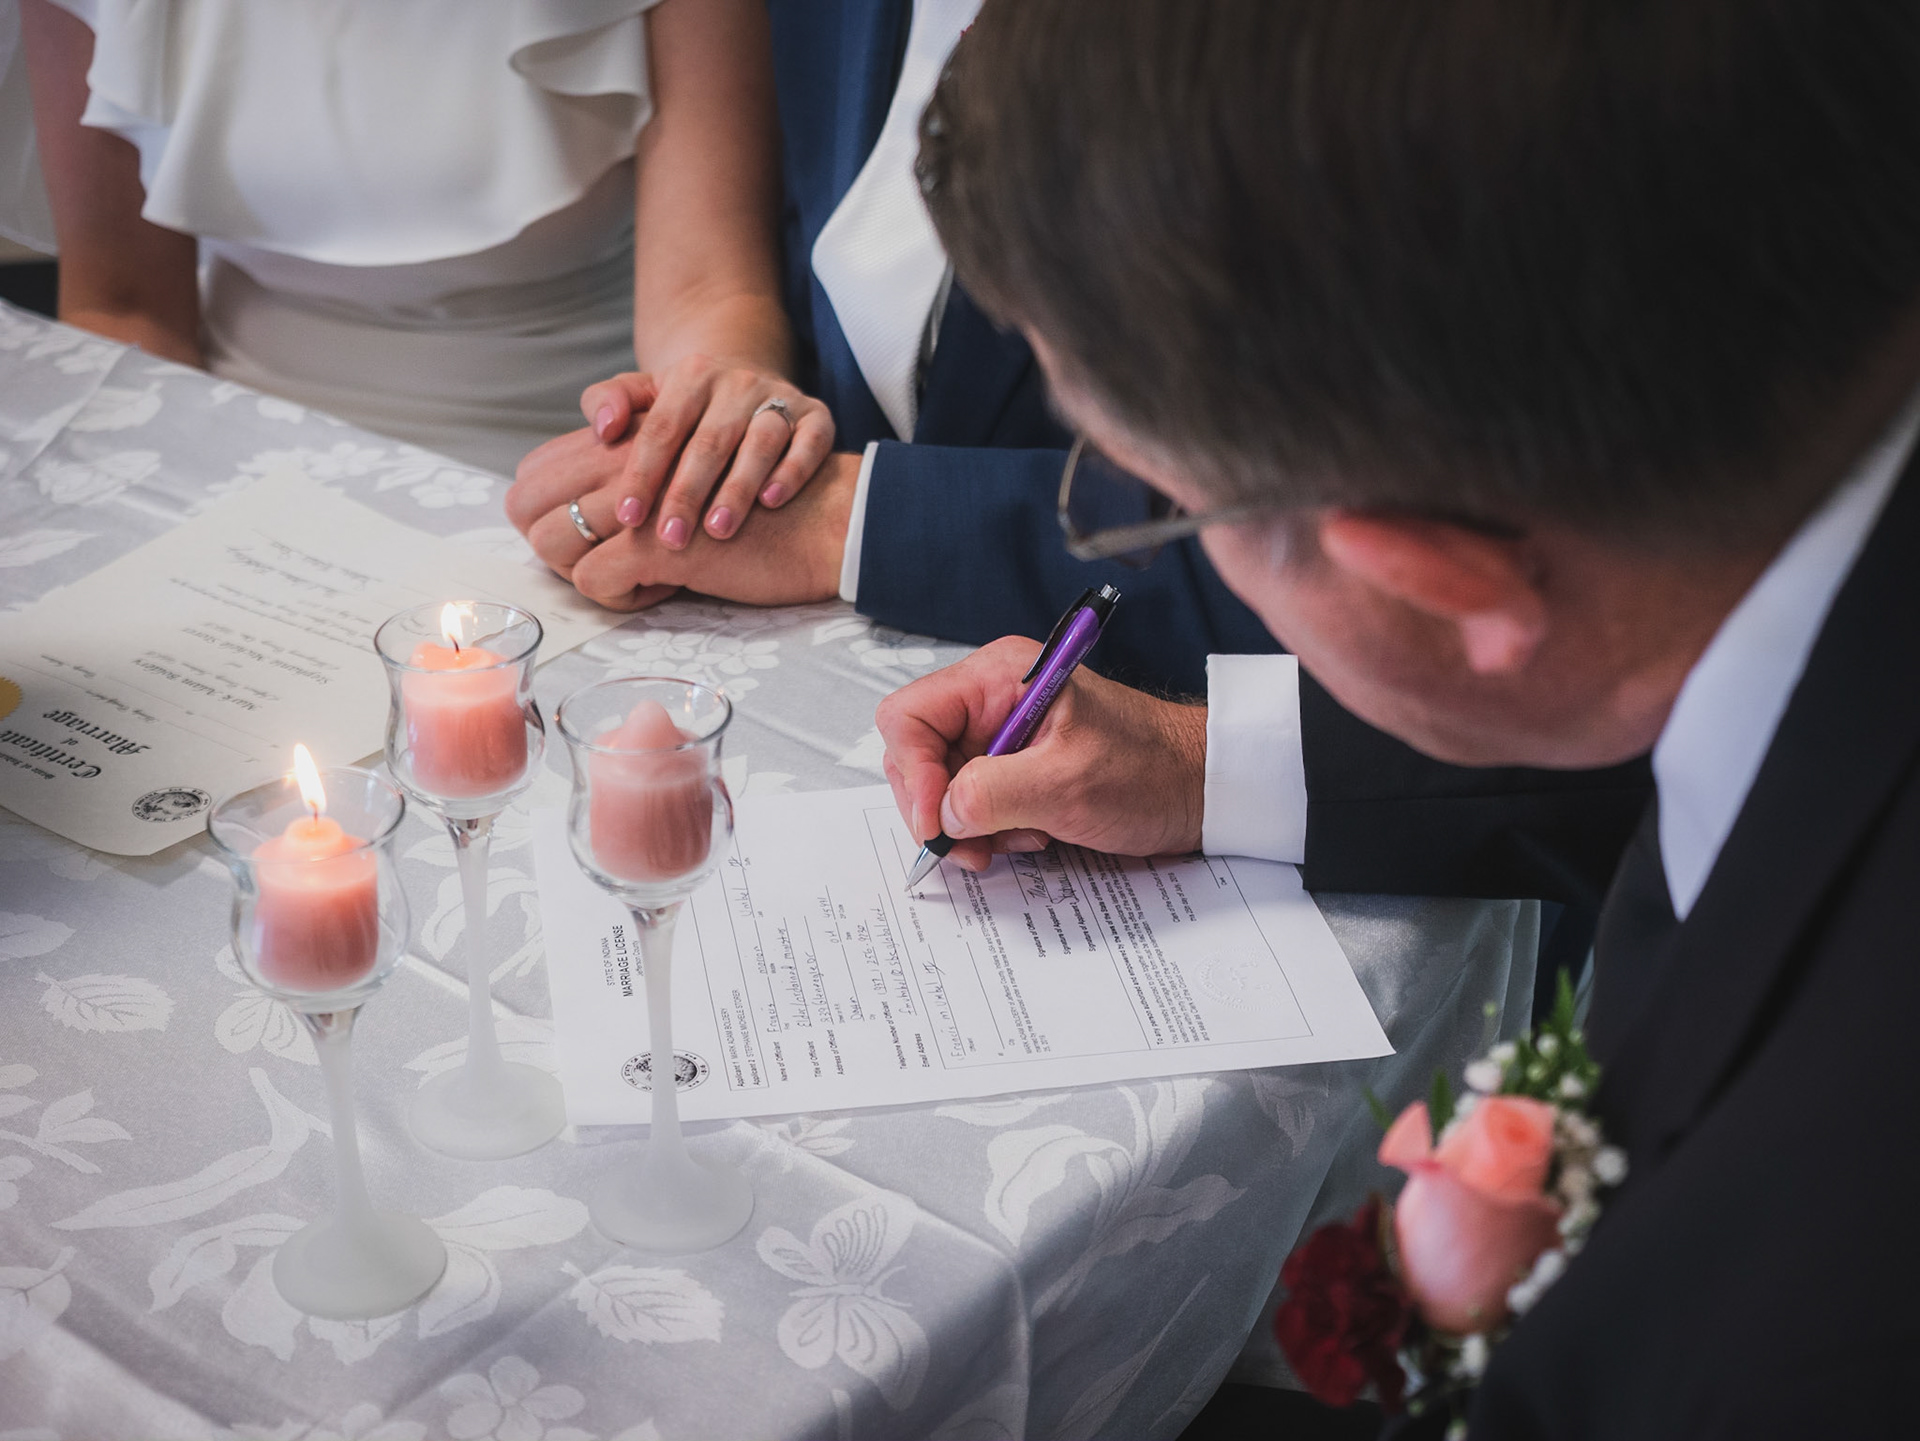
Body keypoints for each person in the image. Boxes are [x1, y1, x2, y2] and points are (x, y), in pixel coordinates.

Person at [876, 1, 1920, 1437]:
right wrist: (1195, 761)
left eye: (1156, 493)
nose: (1141, 512)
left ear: (1439, 580)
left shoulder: (1803, 1309)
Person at [505, 0, 1280, 696]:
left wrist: (851, 518)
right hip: (826, 651)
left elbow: (1298, 529)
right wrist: (733, 437)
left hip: (1162, 709)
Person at [5, 0, 830, 534]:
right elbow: (123, 306)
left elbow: (709, 289)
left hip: (568, 469)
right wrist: (156, 518)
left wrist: (702, 431)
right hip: (230, 452)